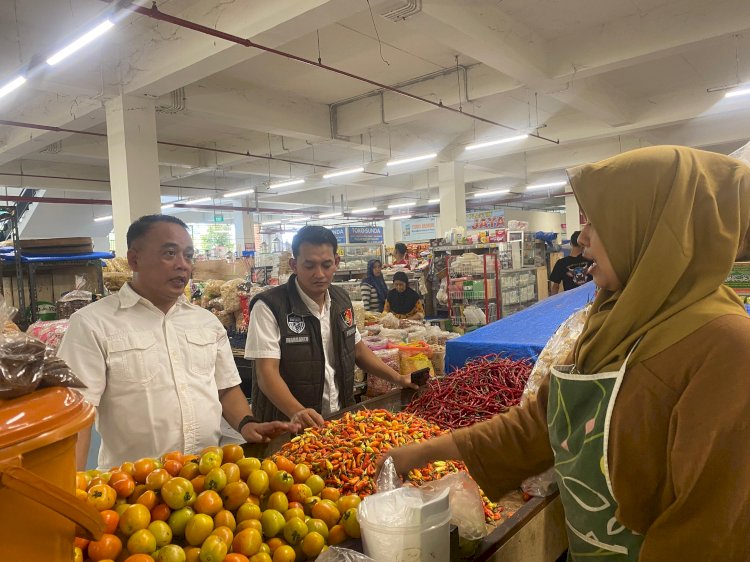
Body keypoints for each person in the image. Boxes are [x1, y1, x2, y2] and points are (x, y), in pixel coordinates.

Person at [382, 146, 750, 561]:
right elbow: (542, 424)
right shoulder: (613, 320)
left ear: (652, 228)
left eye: (596, 221)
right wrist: (418, 452)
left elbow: (711, 532)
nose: (582, 238)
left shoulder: (727, 348)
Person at [58, 215, 296, 470]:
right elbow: (76, 415)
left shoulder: (206, 322)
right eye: (170, 253)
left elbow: (225, 388)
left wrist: (247, 424)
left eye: (188, 255)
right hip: (133, 490)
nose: (183, 265)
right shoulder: (93, 324)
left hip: (208, 480)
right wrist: (72, 490)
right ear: (134, 259)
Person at [245, 226, 416, 427]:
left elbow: (358, 350)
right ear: (294, 265)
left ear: (336, 262)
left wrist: (398, 379)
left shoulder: (341, 300)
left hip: (337, 419)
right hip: (285, 426)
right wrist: (297, 412)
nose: (319, 274)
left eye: (326, 265)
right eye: (309, 266)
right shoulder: (270, 306)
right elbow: (266, 373)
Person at [548, 230, 592, 294]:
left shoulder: (561, 263)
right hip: (590, 300)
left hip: (571, 301)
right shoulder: (591, 260)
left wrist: (555, 303)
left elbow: (555, 287)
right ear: (584, 244)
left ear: (571, 243)